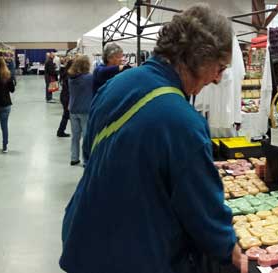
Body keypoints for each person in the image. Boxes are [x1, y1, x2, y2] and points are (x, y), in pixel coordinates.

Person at [60, 4, 246, 273]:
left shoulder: (118, 83)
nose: (218, 79)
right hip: (134, 256)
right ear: (200, 57)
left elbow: (91, 152)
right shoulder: (183, 121)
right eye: (219, 67)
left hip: (84, 237)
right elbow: (202, 210)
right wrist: (230, 248)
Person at [67, 56, 94, 166]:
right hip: (85, 109)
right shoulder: (89, 78)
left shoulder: (71, 78)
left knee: (75, 136)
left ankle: (74, 157)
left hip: (73, 109)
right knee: (86, 136)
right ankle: (86, 160)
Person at [56, 56, 74, 138]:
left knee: (66, 115)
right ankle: (60, 131)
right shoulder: (69, 75)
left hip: (64, 96)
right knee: (66, 115)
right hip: (66, 96)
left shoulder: (65, 73)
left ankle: (61, 131)